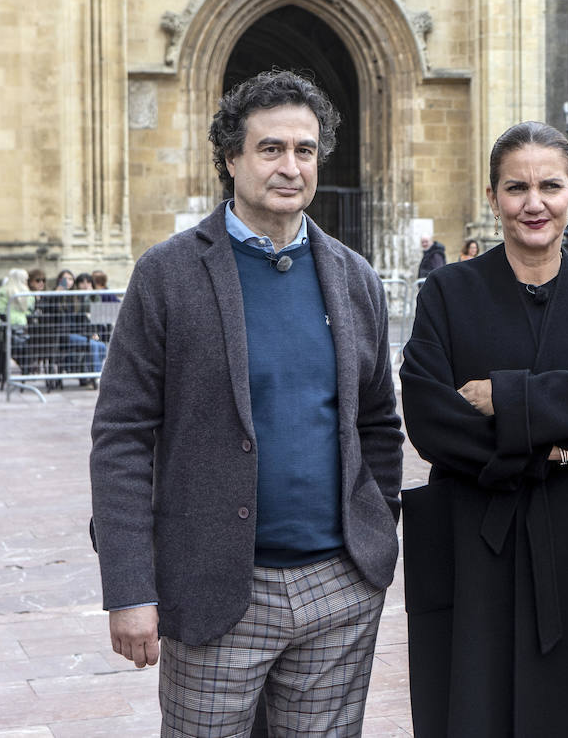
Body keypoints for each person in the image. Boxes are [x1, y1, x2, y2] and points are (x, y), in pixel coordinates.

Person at [89, 69, 403, 737]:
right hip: (215, 589)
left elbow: (377, 421)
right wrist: (130, 588)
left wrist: (375, 535)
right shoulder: (167, 274)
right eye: (270, 149)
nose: (290, 167)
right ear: (231, 157)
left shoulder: (354, 277)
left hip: (337, 588)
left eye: (305, 150)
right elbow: (121, 435)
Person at [400, 121, 568, 737]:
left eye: (549, 186)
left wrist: (506, 398)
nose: (533, 203)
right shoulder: (447, 294)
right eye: (516, 187)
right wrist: (558, 441)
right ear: (493, 198)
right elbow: (431, 417)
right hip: (474, 541)